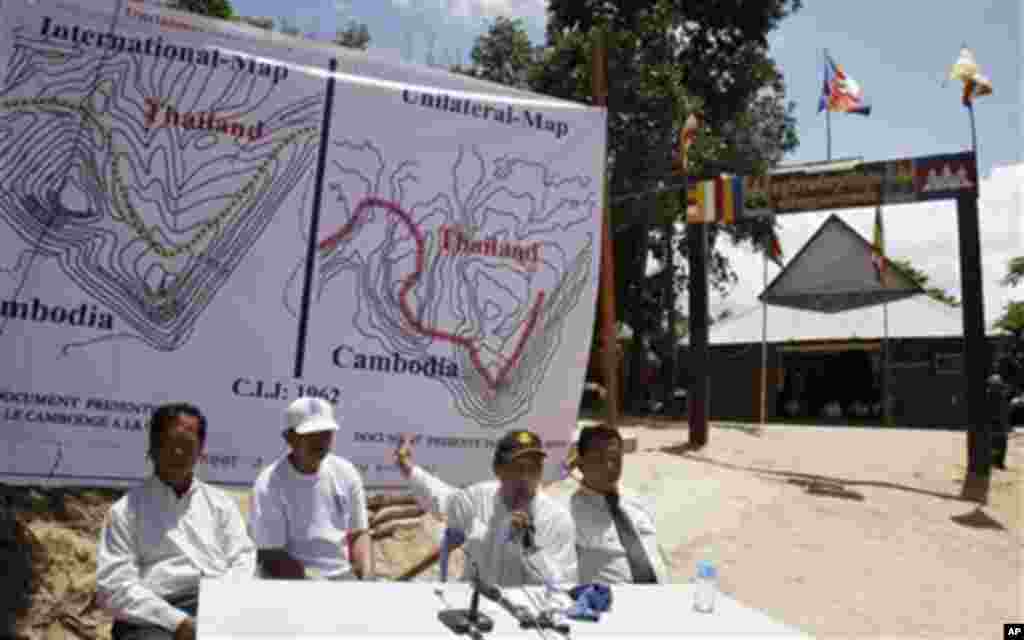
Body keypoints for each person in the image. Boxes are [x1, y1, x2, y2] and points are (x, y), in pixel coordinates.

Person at [96, 402, 256, 640]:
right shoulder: (126, 510)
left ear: (201, 451)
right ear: (153, 448)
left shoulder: (221, 504)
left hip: (218, 604)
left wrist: (223, 606)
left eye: (187, 445)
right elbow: (114, 587)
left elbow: (243, 559)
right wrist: (177, 621)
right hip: (155, 614)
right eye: (171, 444)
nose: (179, 453)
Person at [396, 429, 577, 587]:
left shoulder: (557, 519)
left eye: (534, 468)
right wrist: (406, 466)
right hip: (475, 605)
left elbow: (562, 584)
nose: (525, 477)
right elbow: (439, 497)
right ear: (497, 469)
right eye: (517, 468)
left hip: (526, 615)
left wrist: (530, 549)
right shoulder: (477, 498)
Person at [249, 397, 372, 580]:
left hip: (342, 576)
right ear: (289, 438)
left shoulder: (346, 472)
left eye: (326, 432)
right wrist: (315, 583)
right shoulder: (268, 483)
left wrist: (366, 578)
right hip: (292, 583)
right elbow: (271, 555)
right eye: (311, 433)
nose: (321, 440)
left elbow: (358, 534)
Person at [565, 425, 668, 584]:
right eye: (598, 459)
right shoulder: (569, 512)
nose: (609, 466)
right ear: (580, 463)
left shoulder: (636, 500)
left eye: (615, 458)